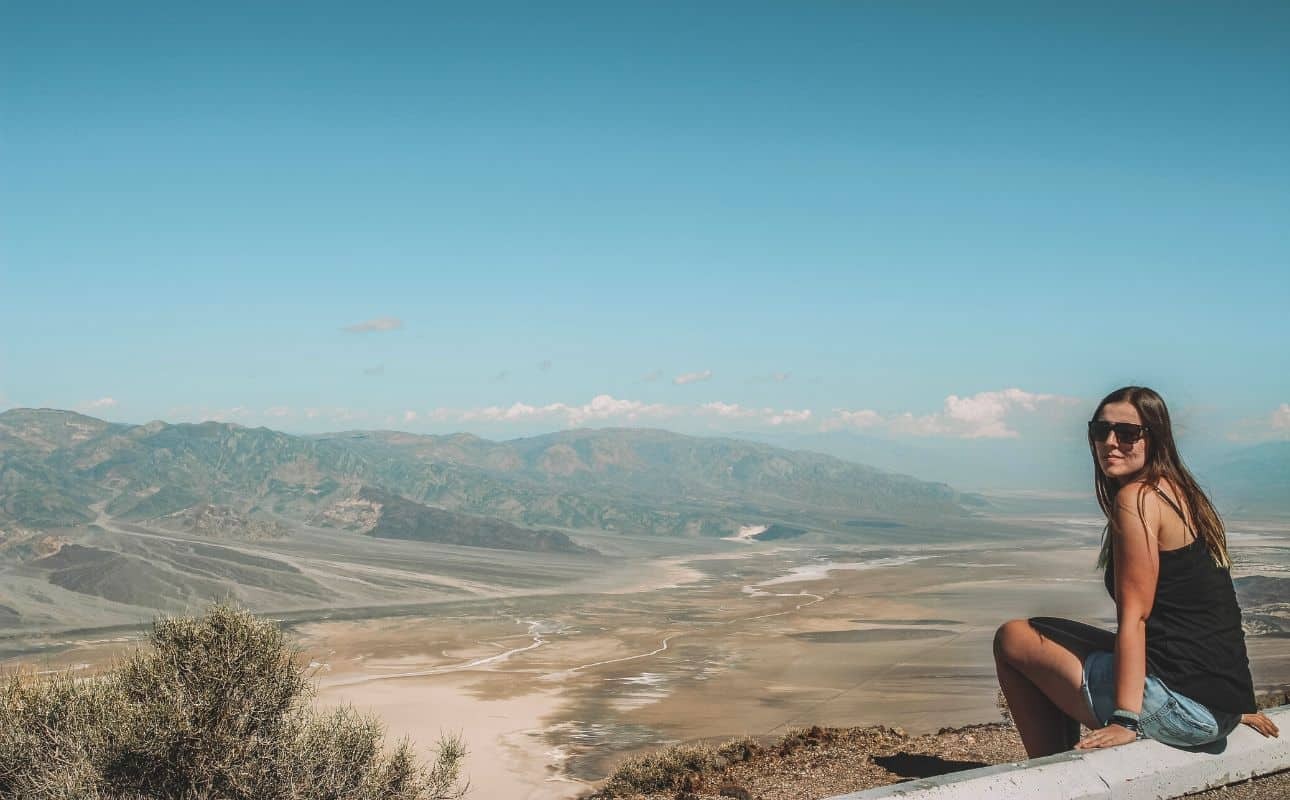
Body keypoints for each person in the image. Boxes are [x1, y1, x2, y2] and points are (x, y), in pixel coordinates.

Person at [993, 386, 1279, 756]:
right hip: (1215, 707)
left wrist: (1125, 719)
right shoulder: (1182, 493)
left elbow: (1135, 616)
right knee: (1044, 630)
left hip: (1184, 713)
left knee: (1012, 638)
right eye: (1100, 431)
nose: (1110, 442)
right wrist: (1233, 702)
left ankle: (1052, 774)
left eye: (1127, 433)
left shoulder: (1138, 500)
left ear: (1155, 438)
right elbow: (1214, 611)